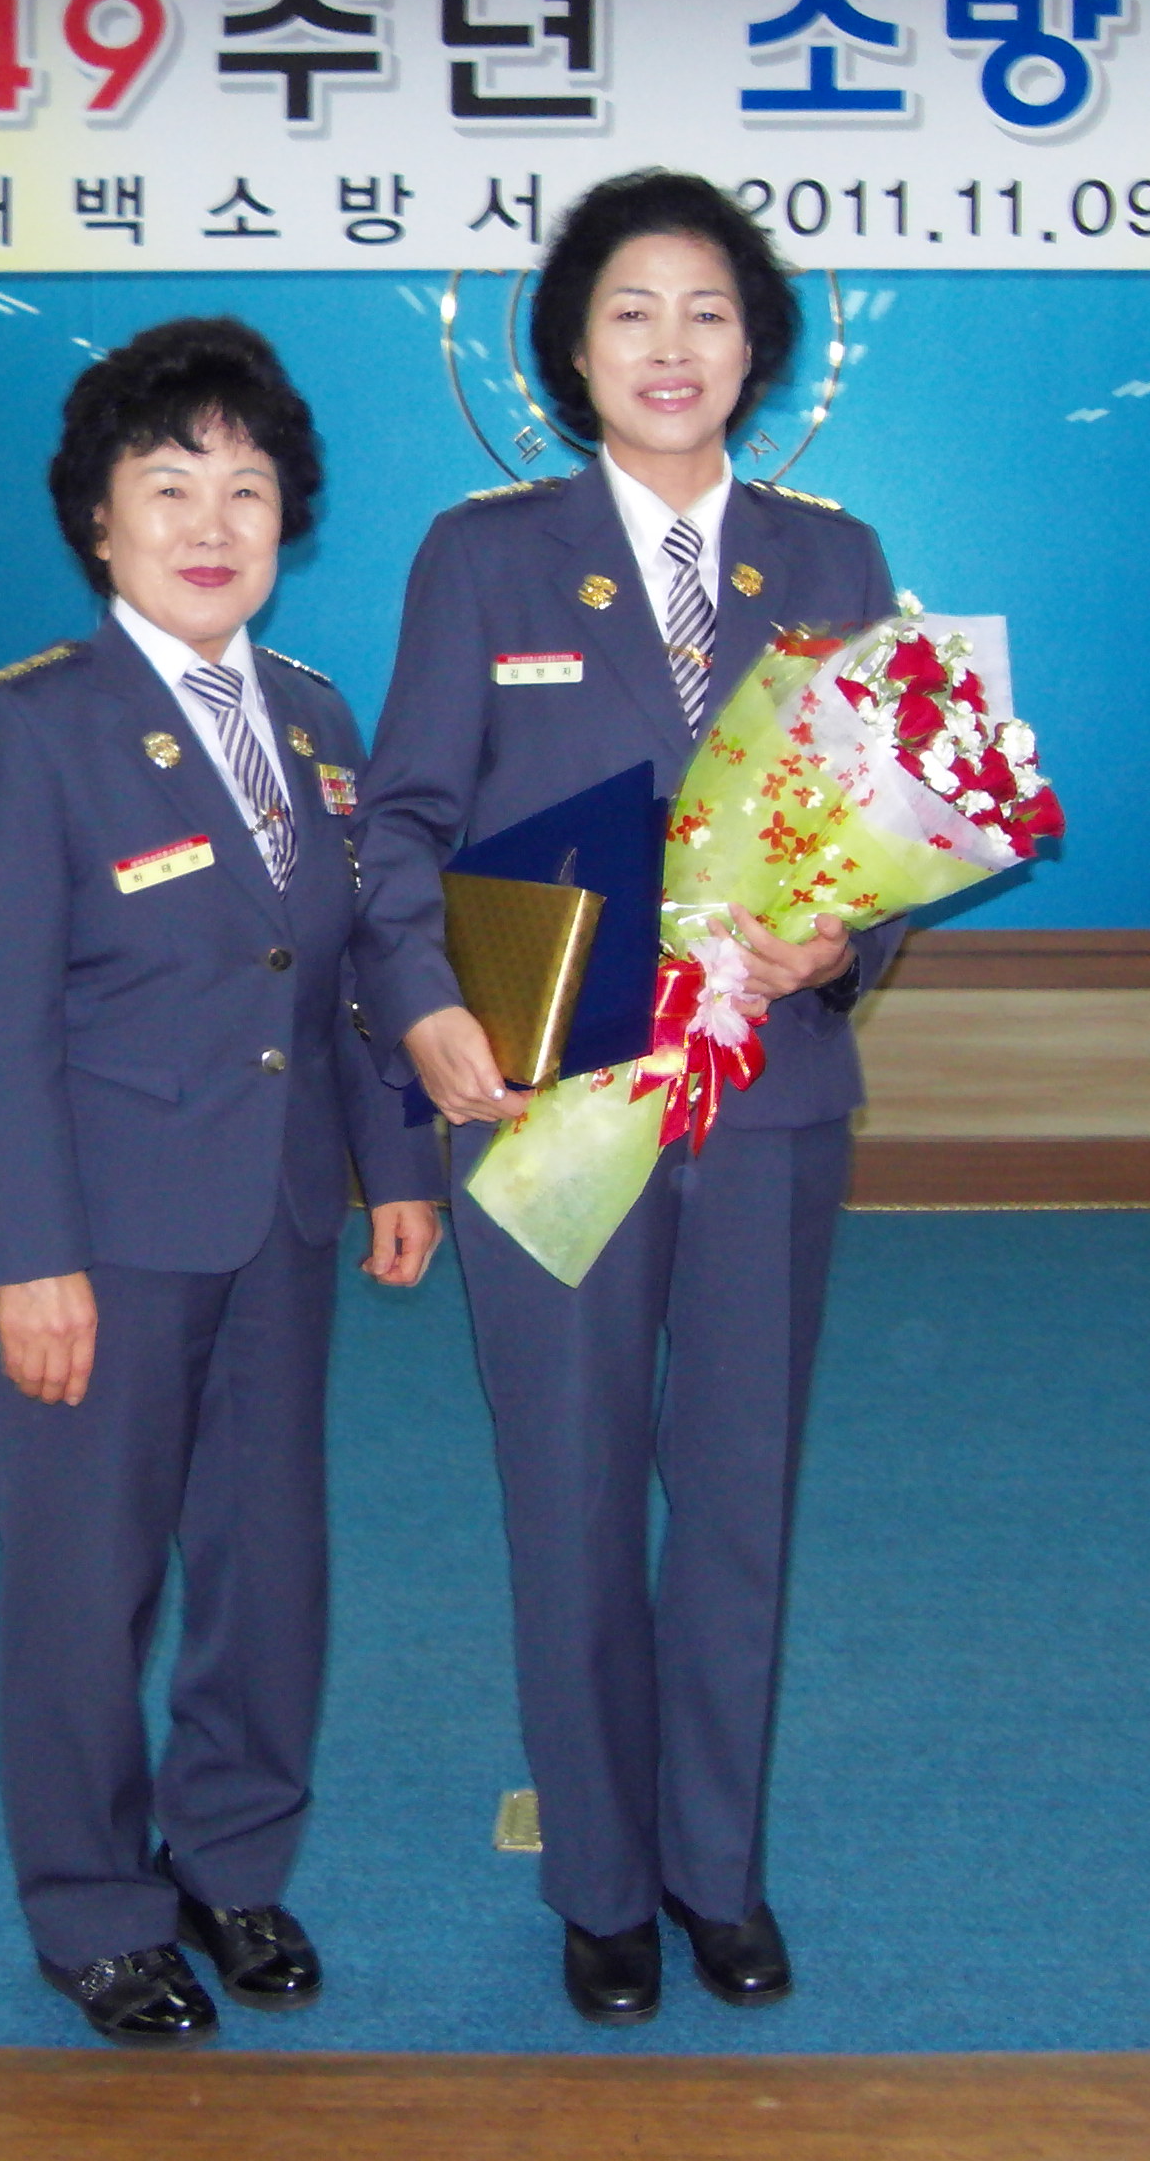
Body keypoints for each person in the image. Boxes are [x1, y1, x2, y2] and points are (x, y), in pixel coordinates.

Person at [355, 171, 905, 2024]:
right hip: (551, 1092)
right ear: (571, 352)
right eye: (631, 312)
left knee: (739, 1498)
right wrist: (427, 1005)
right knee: (572, 1493)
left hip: (767, 1099)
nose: (673, 348)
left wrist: (845, 941)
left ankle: (714, 1873)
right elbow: (405, 823)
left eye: (709, 313)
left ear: (759, 349)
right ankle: (600, 1885)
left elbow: (877, 826)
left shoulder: (832, 560)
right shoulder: (483, 555)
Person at [0, 317, 442, 2046]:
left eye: (247, 489)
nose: (212, 524)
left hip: (279, 1217)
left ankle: (230, 1860)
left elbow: (344, 974)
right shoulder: (24, 730)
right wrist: (24, 1257)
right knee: (86, 1579)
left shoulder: (314, 718)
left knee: (267, 1564)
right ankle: (92, 1906)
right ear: (99, 519)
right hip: (104, 1241)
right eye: (168, 486)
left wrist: (396, 1164)